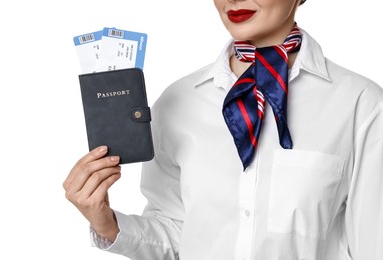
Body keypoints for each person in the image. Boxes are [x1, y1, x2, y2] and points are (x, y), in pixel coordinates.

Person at [63, 0, 383, 259]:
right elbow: (178, 233)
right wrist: (108, 225)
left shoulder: (359, 104)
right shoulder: (177, 102)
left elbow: (372, 245)